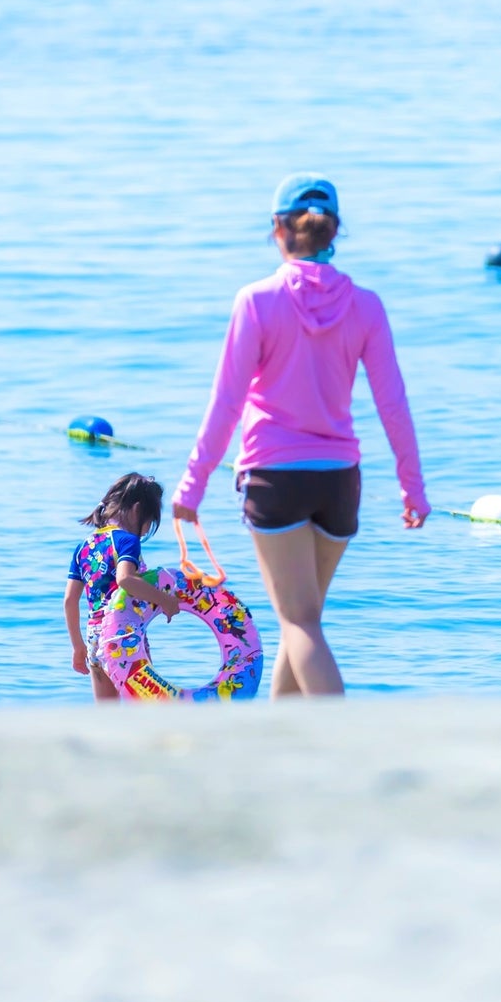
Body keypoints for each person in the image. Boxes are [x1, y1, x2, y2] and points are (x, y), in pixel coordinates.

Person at [173, 173, 429, 697]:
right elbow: (393, 405)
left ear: (278, 229)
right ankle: (282, 741)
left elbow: (226, 403)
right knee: (302, 619)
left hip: (275, 480)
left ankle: (342, 742)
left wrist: (190, 488)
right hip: (339, 484)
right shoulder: (367, 305)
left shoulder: (256, 301)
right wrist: (413, 488)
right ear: (334, 231)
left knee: (299, 622)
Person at [64, 472, 179, 702]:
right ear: (137, 510)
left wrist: (77, 646)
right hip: (123, 635)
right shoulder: (127, 541)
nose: (146, 530)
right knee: (150, 707)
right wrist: (164, 600)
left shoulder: (84, 547)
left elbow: (69, 601)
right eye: (149, 522)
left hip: (94, 638)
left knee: (107, 713)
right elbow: (125, 579)